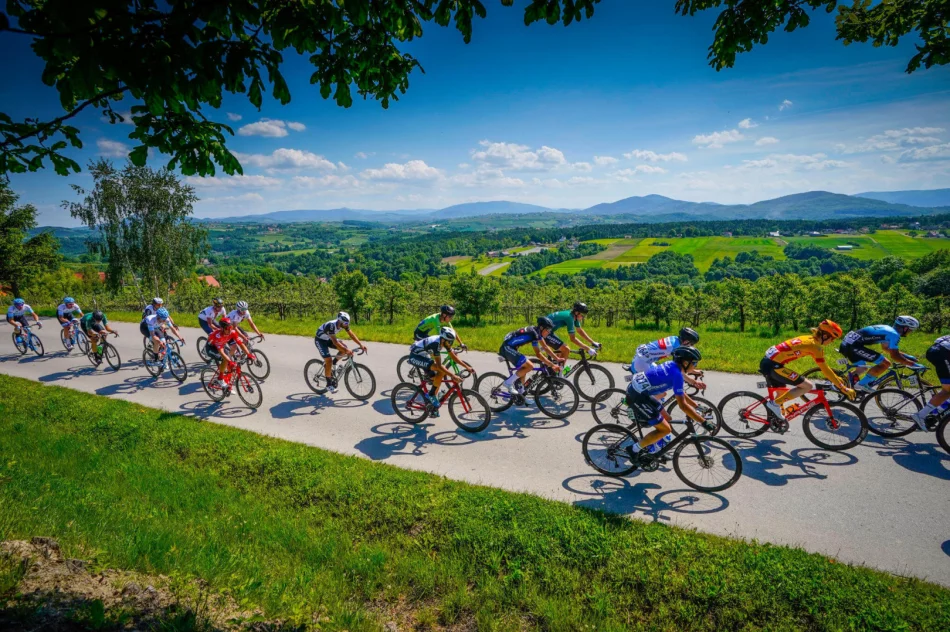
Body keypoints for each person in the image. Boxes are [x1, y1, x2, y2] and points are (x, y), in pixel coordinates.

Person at [625, 347, 711, 462]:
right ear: (685, 363)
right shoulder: (677, 375)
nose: (695, 366)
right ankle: (633, 449)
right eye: (694, 363)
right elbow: (683, 406)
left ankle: (655, 449)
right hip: (637, 396)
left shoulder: (673, 366)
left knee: (667, 418)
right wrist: (703, 422)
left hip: (641, 392)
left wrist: (696, 406)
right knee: (665, 429)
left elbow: (680, 392)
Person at [759, 319, 856, 421]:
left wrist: (835, 378)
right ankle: (774, 404)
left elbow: (825, 369)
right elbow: (825, 369)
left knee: (781, 393)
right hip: (773, 365)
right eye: (832, 339)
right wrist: (842, 388)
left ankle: (778, 420)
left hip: (769, 362)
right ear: (825, 335)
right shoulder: (815, 347)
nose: (832, 342)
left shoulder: (809, 338)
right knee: (807, 386)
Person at [839, 316, 921, 393]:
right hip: (853, 346)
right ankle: (862, 384)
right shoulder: (894, 335)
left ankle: (839, 385)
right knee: (885, 363)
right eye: (910, 330)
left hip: (847, 343)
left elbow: (886, 348)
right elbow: (895, 356)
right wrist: (913, 364)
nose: (910, 333)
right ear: (905, 328)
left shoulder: (888, 329)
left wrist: (907, 356)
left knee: (862, 368)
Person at [407, 327, 474, 417]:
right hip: (415, 356)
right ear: (443, 339)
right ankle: (431, 394)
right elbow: (439, 366)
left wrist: (467, 367)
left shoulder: (443, 341)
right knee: (441, 371)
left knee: (437, 379)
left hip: (424, 356)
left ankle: (432, 405)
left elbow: (453, 357)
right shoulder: (436, 344)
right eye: (448, 341)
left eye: (451, 342)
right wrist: (453, 376)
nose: (449, 344)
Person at [498, 316, 561, 395]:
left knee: (524, 368)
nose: (549, 332)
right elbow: (543, 350)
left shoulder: (535, 333)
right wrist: (554, 362)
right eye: (548, 330)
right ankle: (508, 383)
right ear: (541, 328)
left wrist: (554, 361)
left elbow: (540, 352)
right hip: (507, 348)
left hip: (511, 348)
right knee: (529, 366)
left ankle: (521, 395)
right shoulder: (534, 333)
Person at [631, 327, 705, 391]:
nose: (692, 346)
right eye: (691, 344)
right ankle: (640, 404)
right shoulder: (675, 348)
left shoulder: (675, 339)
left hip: (643, 358)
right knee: (658, 389)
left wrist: (693, 371)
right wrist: (693, 381)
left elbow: (680, 366)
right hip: (642, 363)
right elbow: (678, 370)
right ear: (685, 341)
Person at [314, 311, 367, 393]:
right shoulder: (331, 326)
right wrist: (346, 351)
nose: (347, 324)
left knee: (344, 349)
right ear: (340, 321)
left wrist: (360, 344)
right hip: (320, 340)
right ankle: (329, 385)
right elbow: (335, 342)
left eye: (347, 323)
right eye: (345, 323)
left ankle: (333, 365)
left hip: (328, 339)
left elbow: (351, 334)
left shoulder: (343, 324)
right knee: (329, 360)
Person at [913, 335, 950, 430]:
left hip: (936, 349)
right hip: (943, 353)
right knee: (947, 391)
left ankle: (935, 413)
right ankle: (921, 415)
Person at [205, 317, 254, 388]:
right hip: (211, 348)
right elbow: (221, 352)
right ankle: (220, 379)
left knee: (231, 358)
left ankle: (227, 384)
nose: (229, 329)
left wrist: (249, 354)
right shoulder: (217, 335)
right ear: (222, 328)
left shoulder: (232, 332)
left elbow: (240, 343)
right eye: (227, 328)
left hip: (221, 346)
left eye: (230, 327)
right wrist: (229, 361)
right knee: (225, 359)